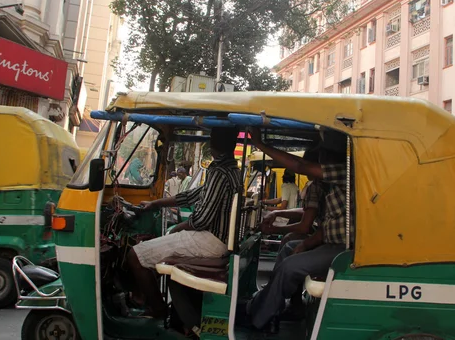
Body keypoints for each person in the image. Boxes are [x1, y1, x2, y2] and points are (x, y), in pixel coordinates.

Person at [126, 127, 241, 319]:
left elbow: (202, 218)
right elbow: (192, 195)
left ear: (213, 144)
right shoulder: (230, 170)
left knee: (135, 256)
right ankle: (146, 299)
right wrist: (156, 204)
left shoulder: (220, 172)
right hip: (216, 239)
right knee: (158, 248)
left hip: (210, 240)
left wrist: (180, 227)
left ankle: (158, 309)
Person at [242, 128, 349, 331]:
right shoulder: (332, 183)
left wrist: (261, 144)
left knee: (289, 266)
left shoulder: (344, 172)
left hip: (342, 249)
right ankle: (271, 303)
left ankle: (259, 320)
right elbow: (328, 224)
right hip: (330, 243)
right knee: (289, 250)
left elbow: (300, 165)